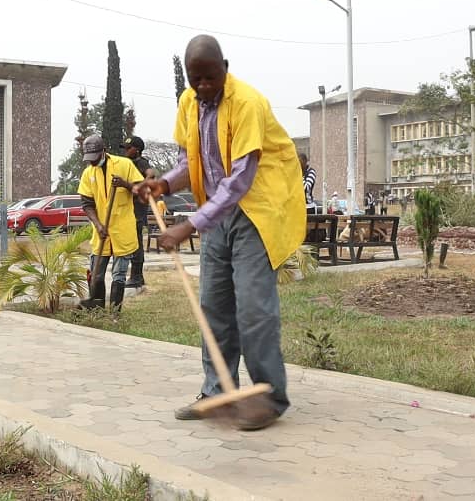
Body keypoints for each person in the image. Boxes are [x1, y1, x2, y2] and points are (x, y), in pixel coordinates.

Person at [134, 35, 305, 431]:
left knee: (253, 308)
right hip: (216, 210)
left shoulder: (247, 103)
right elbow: (189, 160)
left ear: (225, 68)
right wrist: (164, 185)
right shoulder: (188, 102)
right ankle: (217, 393)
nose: (204, 87)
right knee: (214, 305)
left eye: (211, 78)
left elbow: (240, 179)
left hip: (257, 209)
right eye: (196, 80)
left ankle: (268, 398)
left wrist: (189, 224)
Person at [77, 135, 143, 313]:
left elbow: (141, 191)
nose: (92, 163)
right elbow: (87, 204)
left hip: (122, 229)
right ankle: (96, 308)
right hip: (101, 231)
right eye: (88, 159)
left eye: (95, 159)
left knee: (119, 275)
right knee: (96, 273)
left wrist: (125, 184)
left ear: (103, 152)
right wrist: (98, 225)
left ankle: (115, 313)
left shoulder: (124, 165)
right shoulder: (88, 173)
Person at [121, 136, 155, 288]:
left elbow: (150, 173)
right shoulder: (128, 163)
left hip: (137, 210)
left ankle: (136, 276)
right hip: (127, 209)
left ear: (137, 150)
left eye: (129, 148)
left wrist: (140, 183)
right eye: (125, 148)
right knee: (131, 241)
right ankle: (135, 275)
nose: (126, 151)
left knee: (136, 242)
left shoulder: (141, 163)